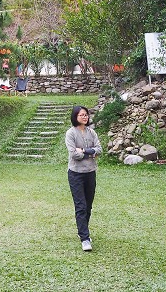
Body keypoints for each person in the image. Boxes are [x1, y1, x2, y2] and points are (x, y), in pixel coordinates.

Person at [65, 105, 102, 252]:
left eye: (86, 114)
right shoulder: (70, 133)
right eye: (81, 115)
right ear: (75, 117)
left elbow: (99, 149)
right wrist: (91, 153)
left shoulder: (91, 132)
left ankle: (82, 230)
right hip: (76, 173)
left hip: (90, 172)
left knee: (88, 205)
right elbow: (74, 154)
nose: (85, 117)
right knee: (80, 206)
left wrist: (85, 151)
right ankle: (85, 238)